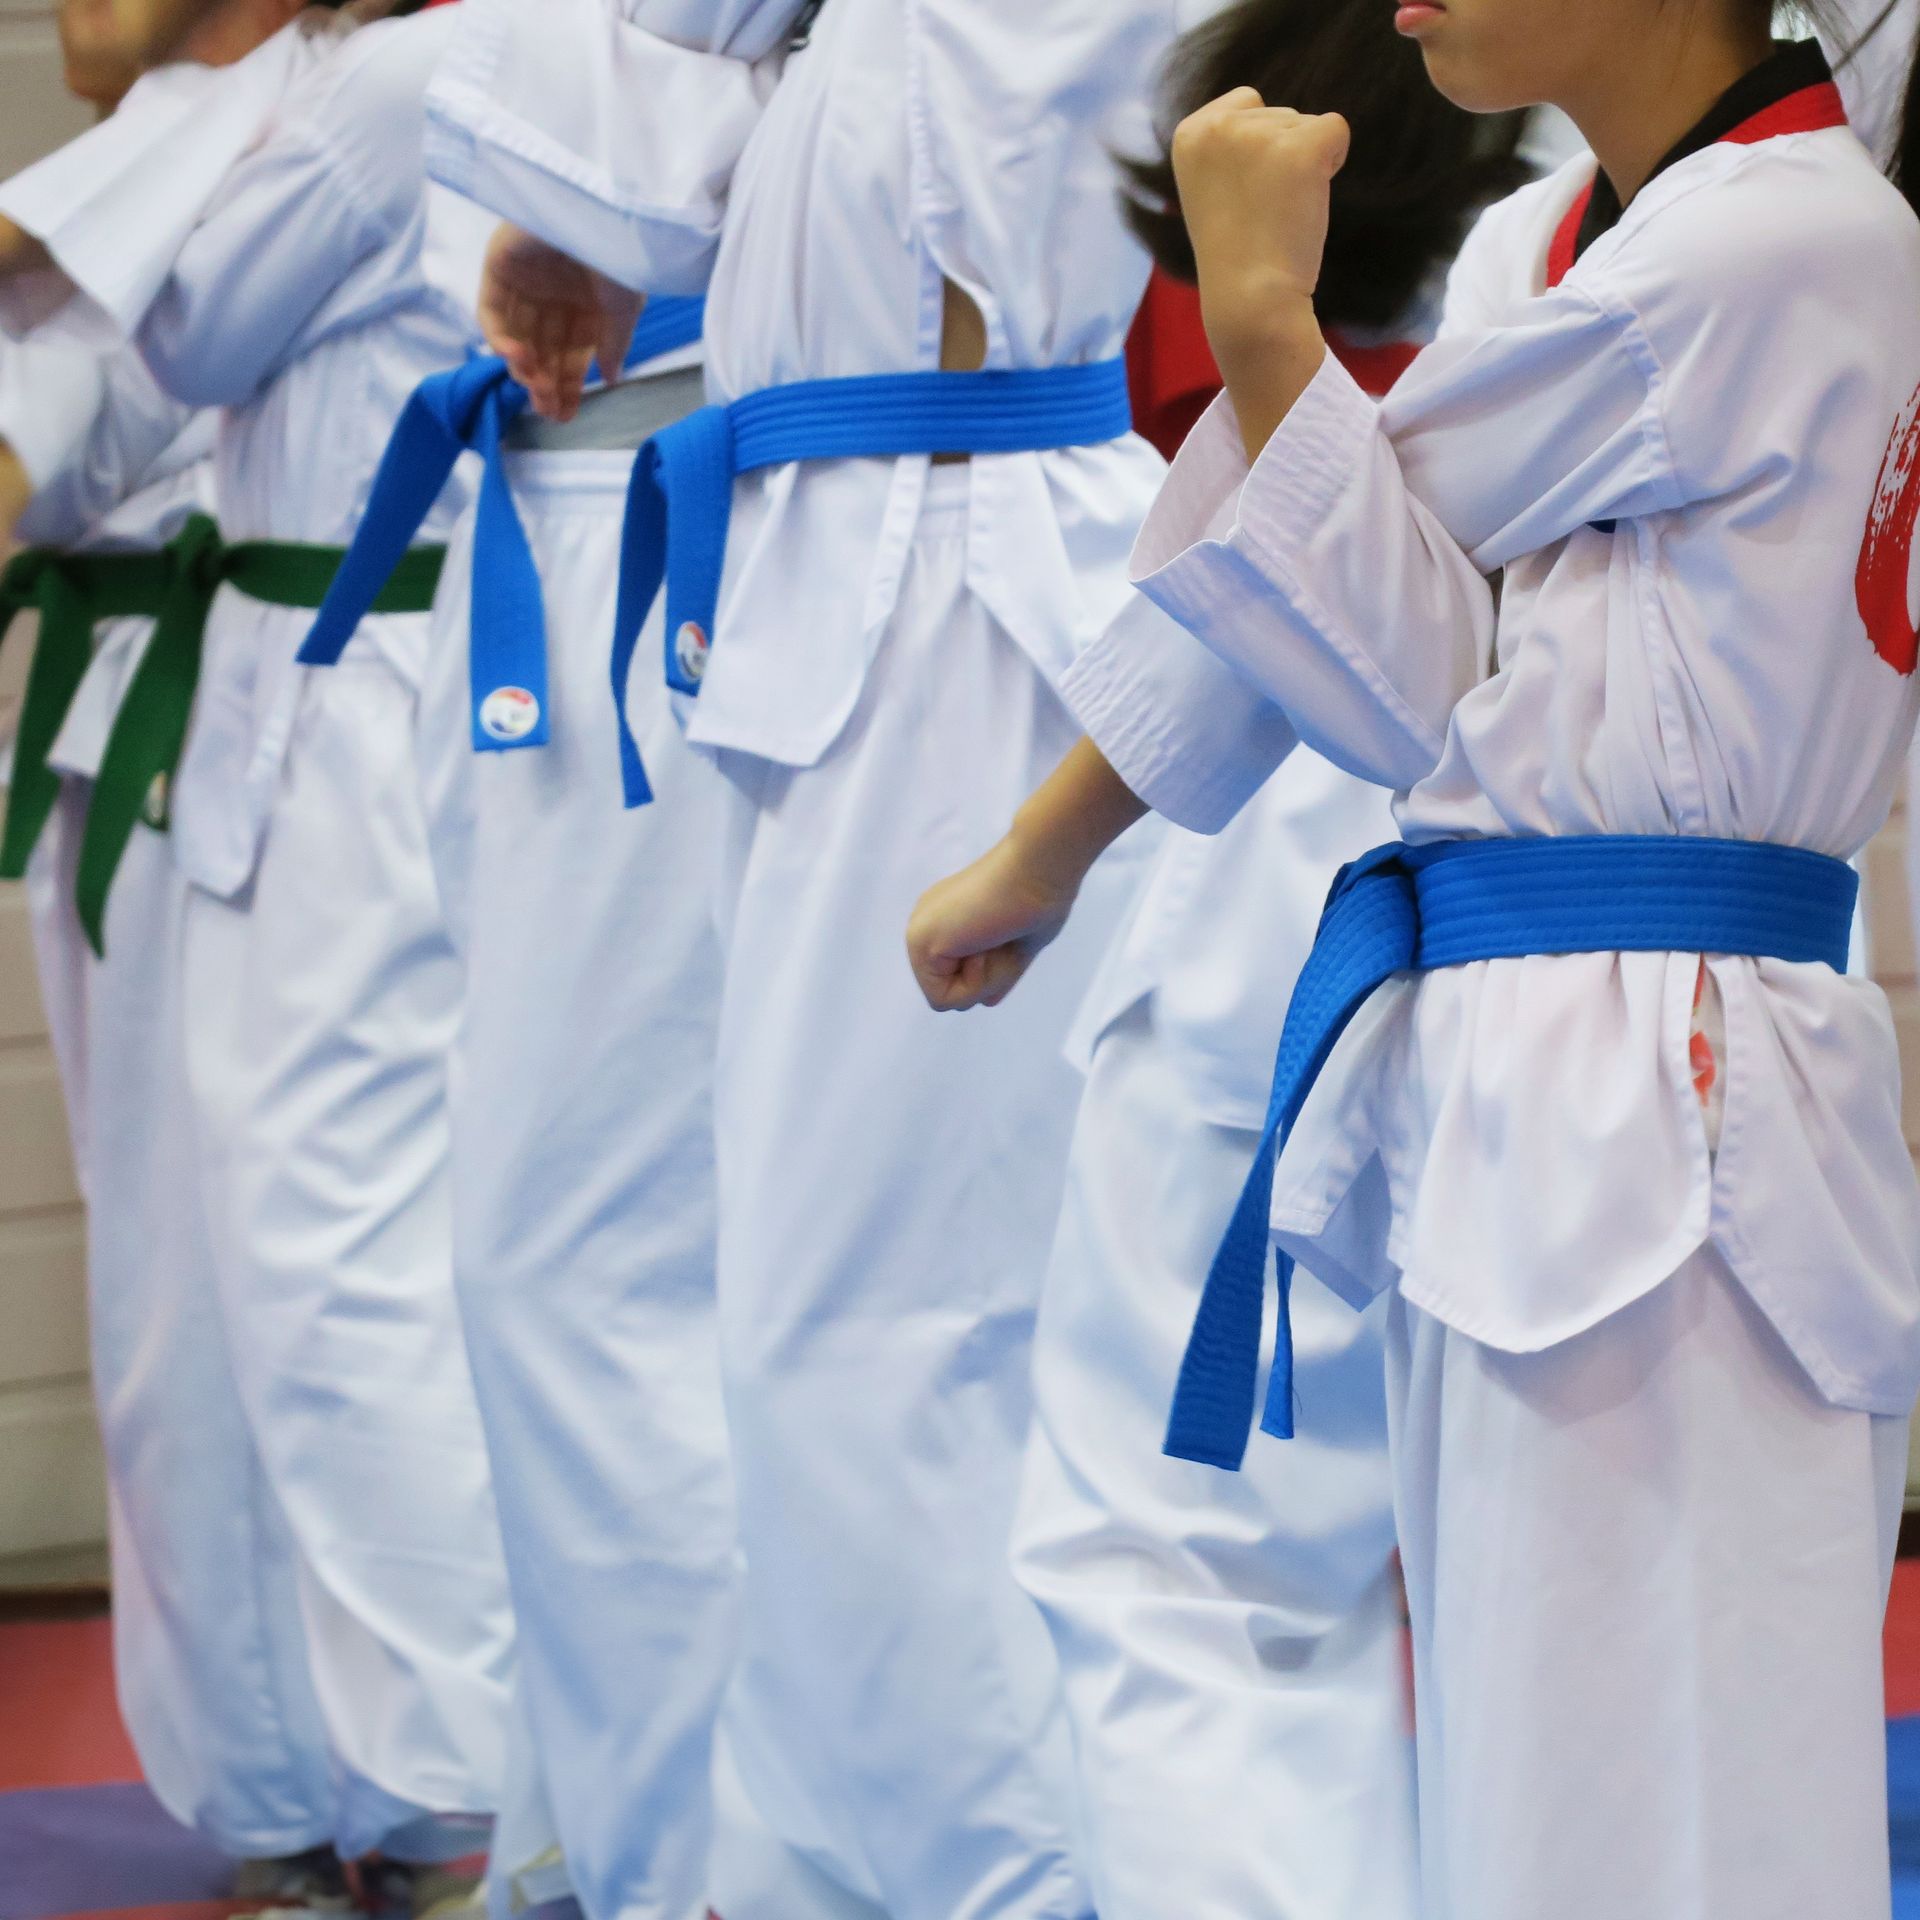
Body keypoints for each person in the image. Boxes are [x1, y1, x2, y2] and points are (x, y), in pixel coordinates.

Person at [907, 4, 1920, 1915]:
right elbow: (1384, 625)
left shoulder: (1788, 238)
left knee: (1668, 1787)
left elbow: (1362, 587)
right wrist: (1042, 857)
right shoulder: (1555, 237)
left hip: (1680, 1078)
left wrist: (1262, 321)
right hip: (1534, 1048)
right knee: (1529, 1775)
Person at [419, 4, 1225, 1914]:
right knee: (788, 1321)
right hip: (829, 549)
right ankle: (769, 1862)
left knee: (898, 1332)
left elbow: (679, 157)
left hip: (948, 564)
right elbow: (700, 133)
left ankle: (989, 1883)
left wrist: (599, 192)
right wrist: (602, 207)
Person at [1010, 9, 1526, 1918]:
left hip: (1318, 927)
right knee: (1559, 1605)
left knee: (1194, 1564)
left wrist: (1031, 861)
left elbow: (1273, 587)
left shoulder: (1485, 288)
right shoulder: (1749, 217)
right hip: (1636, 981)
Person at [0, 4, 517, 1909]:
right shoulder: (194, 125)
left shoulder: (321, 100)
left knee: (322, 1281)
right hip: (200, 726)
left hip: (320, 725)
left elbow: (84, 399)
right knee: (192, 1307)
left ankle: (437, 1804)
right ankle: (293, 1800)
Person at [309, 295, 740, 1920]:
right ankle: (588, 1834)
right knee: (561, 1277)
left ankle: (680, 1867)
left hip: (673, 517)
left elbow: (571, 242)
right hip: (553, 517)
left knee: (576, 1273)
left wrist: (551, 247)